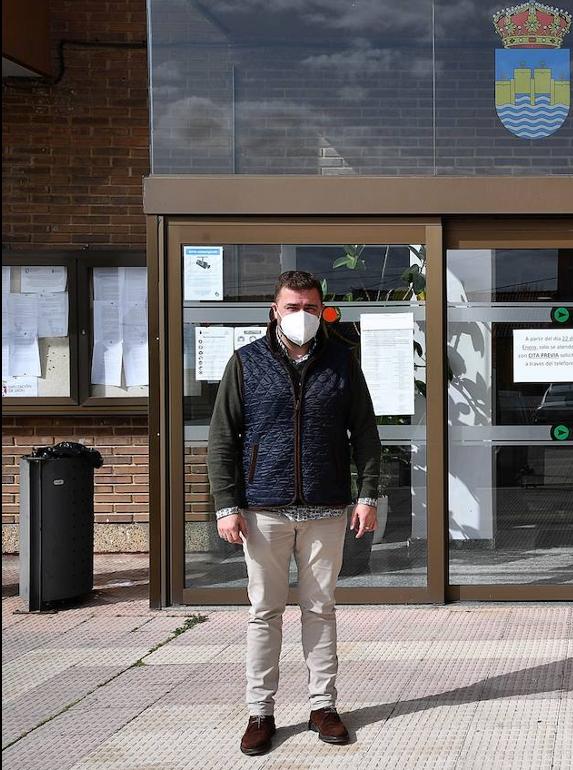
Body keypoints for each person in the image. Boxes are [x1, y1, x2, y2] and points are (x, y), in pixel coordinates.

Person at [209, 270, 382, 756]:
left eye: (310, 307)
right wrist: (227, 505)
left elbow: (366, 435)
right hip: (262, 510)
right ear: (274, 309)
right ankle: (260, 712)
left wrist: (367, 496)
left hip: (326, 508)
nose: (301, 315)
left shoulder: (341, 362)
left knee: (320, 609)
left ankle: (322, 705)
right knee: (264, 612)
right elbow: (222, 440)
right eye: (292, 306)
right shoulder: (246, 363)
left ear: (322, 310)